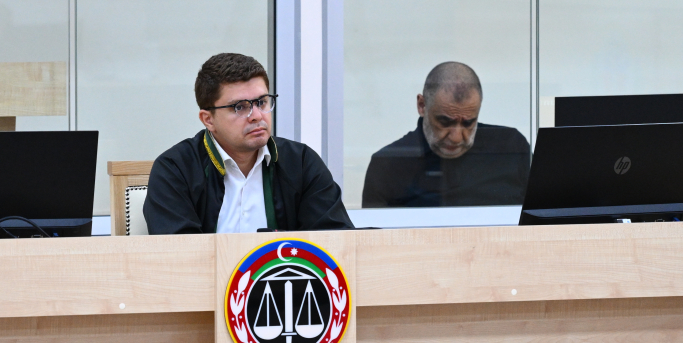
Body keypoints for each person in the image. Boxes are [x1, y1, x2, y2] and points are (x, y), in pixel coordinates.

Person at [144, 53, 353, 234]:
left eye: (261, 102)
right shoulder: (175, 169)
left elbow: (334, 239)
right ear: (208, 120)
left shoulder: (301, 163)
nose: (257, 115)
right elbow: (179, 253)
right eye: (240, 107)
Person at [362, 62, 530, 207]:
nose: (456, 137)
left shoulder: (511, 147)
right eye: (444, 122)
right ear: (422, 105)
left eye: (468, 123)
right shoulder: (388, 165)